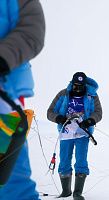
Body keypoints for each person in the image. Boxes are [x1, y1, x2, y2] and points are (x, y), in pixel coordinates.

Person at [0, 0, 45, 199]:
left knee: (12, 182)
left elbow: (32, 31)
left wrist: (3, 58)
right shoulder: (65, 96)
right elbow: (55, 111)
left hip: (4, 99)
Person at [47, 72, 102, 199]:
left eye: (81, 86)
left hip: (83, 133)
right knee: (64, 160)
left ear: (85, 85)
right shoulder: (63, 94)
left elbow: (98, 112)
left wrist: (90, 121)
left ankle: (77, 193)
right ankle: (66, 191)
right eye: (75, 85)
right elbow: (50, 112)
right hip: (66, 133)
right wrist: (58, 118)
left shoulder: (91, 96)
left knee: (81, 161)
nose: (78, 88)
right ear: (71, 83)